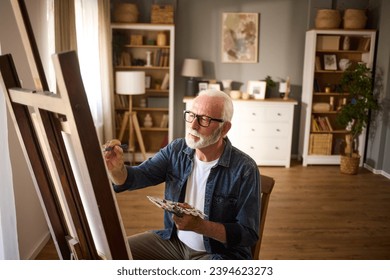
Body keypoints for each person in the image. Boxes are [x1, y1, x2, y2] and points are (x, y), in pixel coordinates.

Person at [104, 89, 260, 260]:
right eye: (192, 115)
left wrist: (201, 226)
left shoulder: (245, 169)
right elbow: (135, 178)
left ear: (224, 128)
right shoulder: (176, 150)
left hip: (219, 254)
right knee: (114, 253)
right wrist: (116, 169)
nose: (193, 125)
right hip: (173, 243)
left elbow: (248, 234)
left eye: (204, 119)